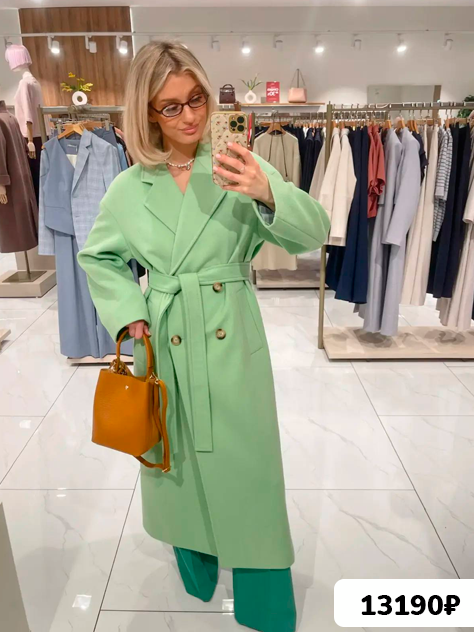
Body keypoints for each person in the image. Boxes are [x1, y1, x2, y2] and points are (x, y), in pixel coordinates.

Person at [78, 41, 329, 632]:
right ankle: (196, 562)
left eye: (197, 99)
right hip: (166, 337)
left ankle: (265, 600)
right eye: (171, 106)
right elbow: (99, 257)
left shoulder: (238, 163)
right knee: (178, 458)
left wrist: (266, 191)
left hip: (230, 331)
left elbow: (314, 232)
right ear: (147, 113)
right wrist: (129, 312)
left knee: (248, 463)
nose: (190, 116)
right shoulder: (129, 188)